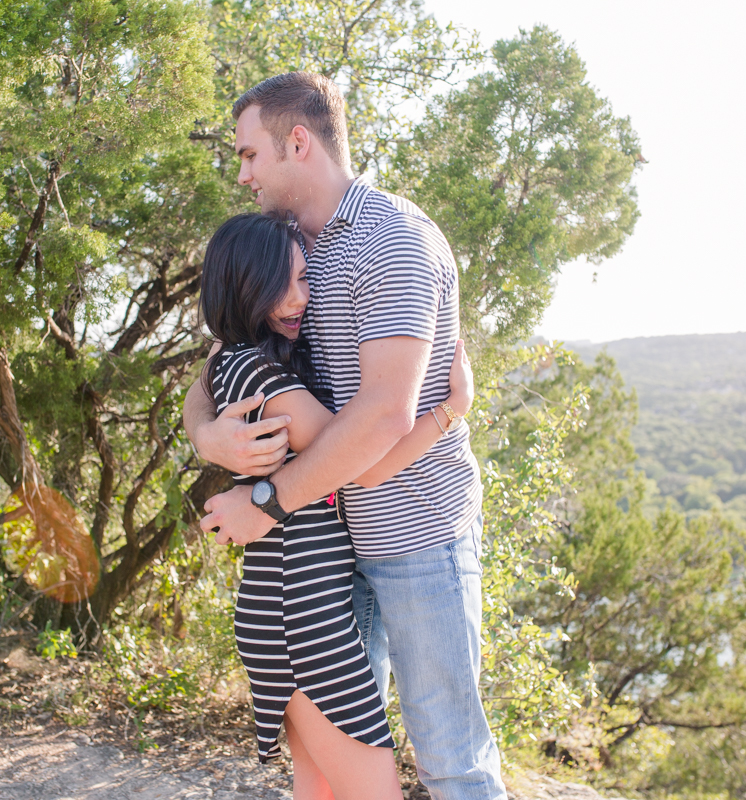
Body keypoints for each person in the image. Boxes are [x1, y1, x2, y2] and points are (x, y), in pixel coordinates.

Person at [183, 72, 507, 799]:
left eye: (249, 155)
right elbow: (214, 367)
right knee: (332, 768)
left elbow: (381, 417)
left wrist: (265, 501)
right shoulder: (287, 248)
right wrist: (209, 438)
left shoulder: (392, 241)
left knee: (450, 754)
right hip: (333, 553)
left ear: (298, 142)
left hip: (416, 535)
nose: (242, 175)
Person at [198, 211, 474, 800]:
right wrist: (449, 410)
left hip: (286, 608)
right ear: (245, 286)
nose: (301, 299)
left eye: (306, 280)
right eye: (284, 284)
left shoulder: (237, 361)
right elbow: (367, 466)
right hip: (304, 621)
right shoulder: (262, 376)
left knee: (320, 792)